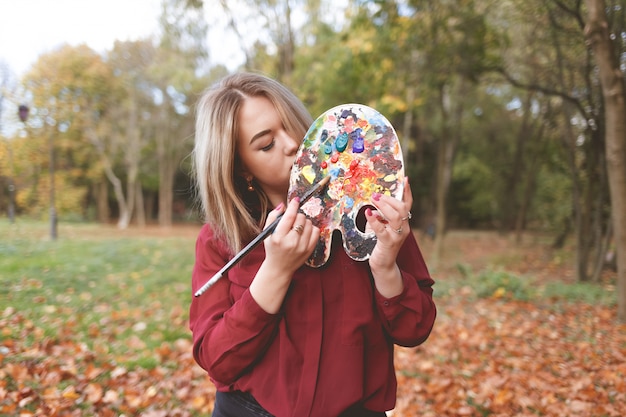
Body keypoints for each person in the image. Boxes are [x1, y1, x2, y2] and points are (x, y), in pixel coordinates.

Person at [189, 72, 436, 417]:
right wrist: (276, 269)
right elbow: (218, 361)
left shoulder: (373, 216)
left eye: (294, 126)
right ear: (241, 168)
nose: (291, 143)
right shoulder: (222, 239)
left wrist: (385, 266)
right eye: (266, 144)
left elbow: (415, 328)